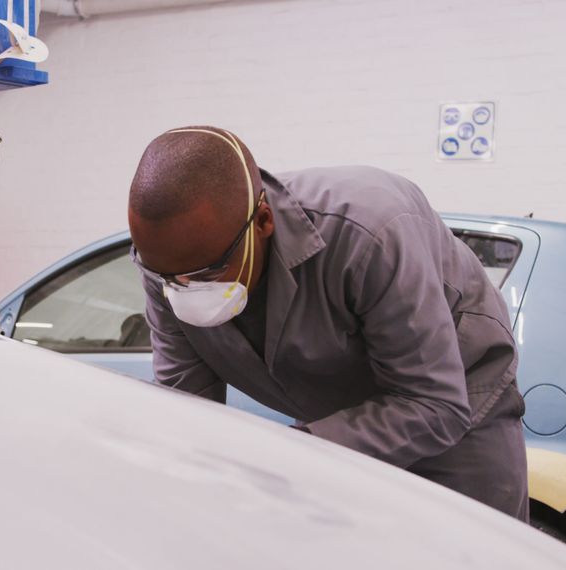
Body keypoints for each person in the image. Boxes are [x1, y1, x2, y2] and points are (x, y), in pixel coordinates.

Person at [127, 126, 528, 520]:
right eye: (165, 277)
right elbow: (190, 413)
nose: (185, 288)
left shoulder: (370, 233)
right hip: (338, 423)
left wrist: (295, 452)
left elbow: (434, 403)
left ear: (264, 222)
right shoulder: (170, 263)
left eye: (207, 273)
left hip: (456, 408)